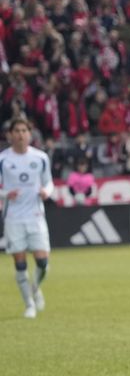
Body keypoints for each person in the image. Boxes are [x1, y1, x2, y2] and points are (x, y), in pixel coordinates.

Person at [0, 117, 54, 318]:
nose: (21, 134)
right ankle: (29, 304)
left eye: (24, 130)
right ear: (10, 135)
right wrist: (6, 194)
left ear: (30, 134)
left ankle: (35, 287)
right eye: (17, 131)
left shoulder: (40, 158)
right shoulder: (3, 160)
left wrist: (46, 192)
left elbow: (49, 182)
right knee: (20, 263)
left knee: (43, 263)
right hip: (14, 217)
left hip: (36, 216)